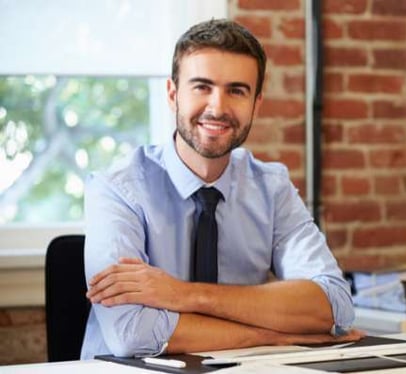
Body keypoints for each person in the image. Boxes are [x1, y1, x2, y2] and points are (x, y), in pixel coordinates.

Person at [81, 19, 362, 359]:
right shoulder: (117, 189)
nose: (217, 107)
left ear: (256, 103)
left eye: (236, 90)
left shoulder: (272, 187)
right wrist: (273, 336)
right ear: (173, 94)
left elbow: (334, 305)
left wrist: (184, 295)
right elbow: (132, 334)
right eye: (202, 87)